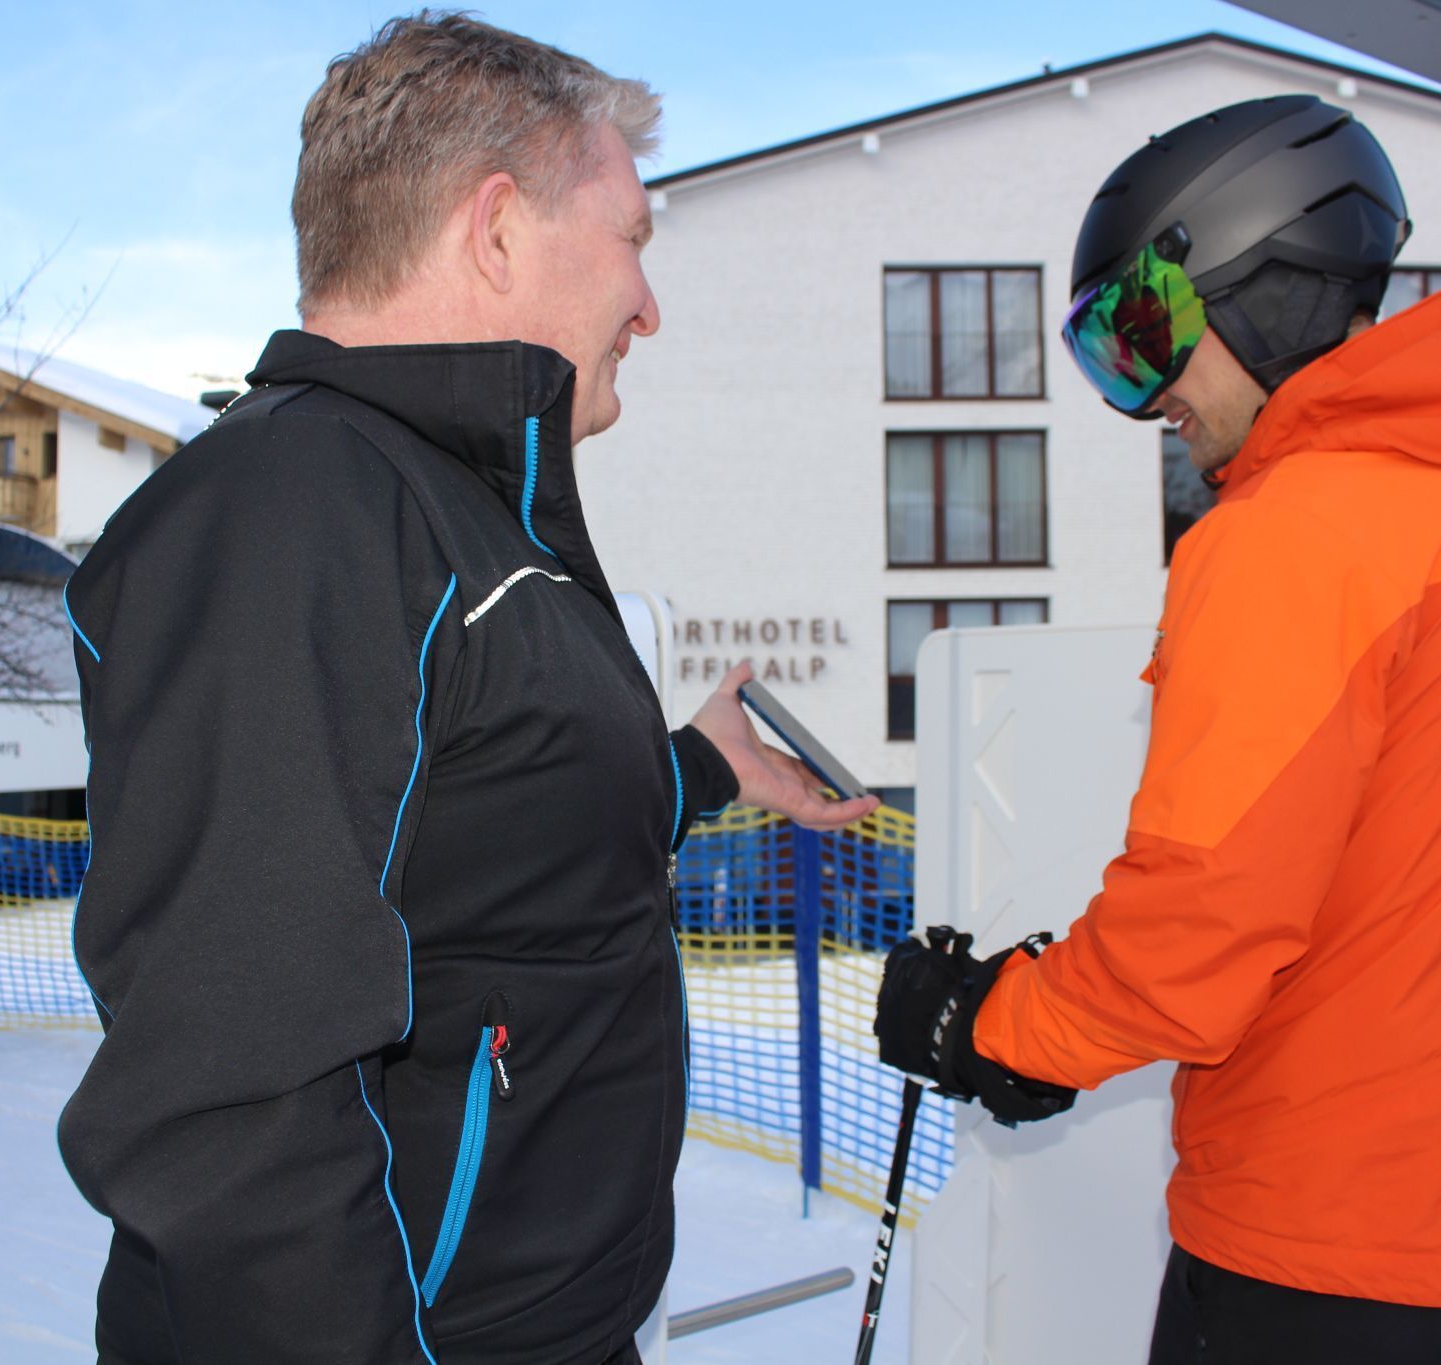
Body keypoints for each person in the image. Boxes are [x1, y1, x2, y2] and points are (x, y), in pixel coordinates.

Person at [56, 14, 875, 1364]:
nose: (649, 303)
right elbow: (234, 1094)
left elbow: (484, 834)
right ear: (497, 232)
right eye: (632, 237)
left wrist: (707, 763)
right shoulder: (297, 510)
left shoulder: (451, 517)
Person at [876, 94, 1441, 1364]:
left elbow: (1204, 919)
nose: (1142, 393)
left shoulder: (1293, 534)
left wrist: (988, 1027)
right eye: (1109, 352)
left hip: (1324, 1224)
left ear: (1262, 281)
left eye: (1141, 331)